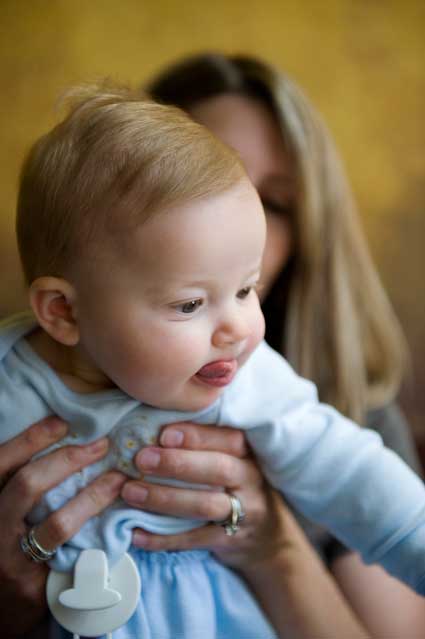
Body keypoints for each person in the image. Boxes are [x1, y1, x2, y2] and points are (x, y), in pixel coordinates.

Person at [2, 80, 425, 639]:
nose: (238, 329)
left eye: (245, 290)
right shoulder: (13, 385)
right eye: (190, 304)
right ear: (63, 312)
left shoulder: (250, 381)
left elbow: (358, 478)